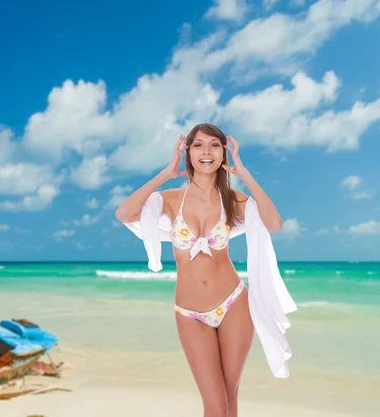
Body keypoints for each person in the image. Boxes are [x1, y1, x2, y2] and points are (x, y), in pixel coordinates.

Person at [115, 123, 297, 417]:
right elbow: (124, 213)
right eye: (198, 144)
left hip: (234, 304)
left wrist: (244, 174)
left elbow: (274, 224)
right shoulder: (171, 199)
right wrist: (165, 173)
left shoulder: (233, 200)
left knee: (229, 398)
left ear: (224, 152)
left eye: (215, 144)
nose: (206, 151)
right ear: (187, 152)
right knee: (214, 404)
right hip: (190, 313)